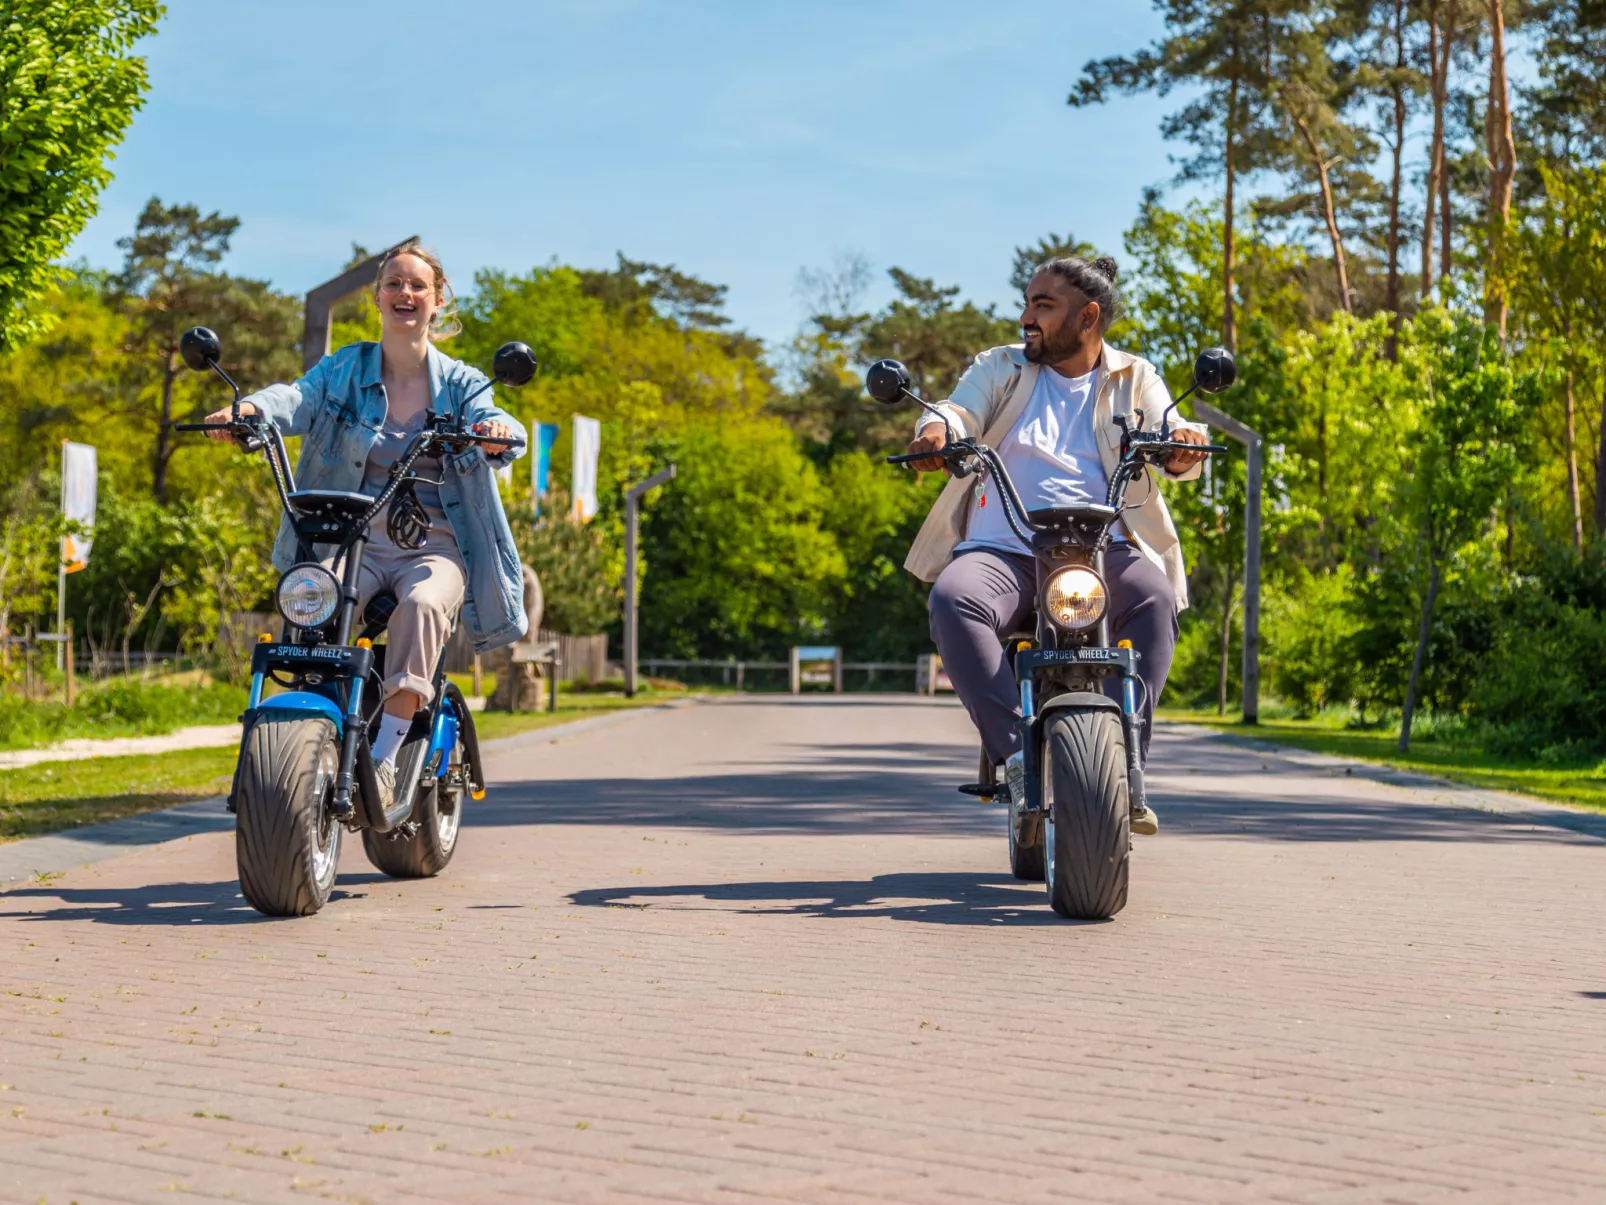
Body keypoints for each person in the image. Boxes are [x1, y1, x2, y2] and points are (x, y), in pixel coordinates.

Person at [203, 243, 529, 804]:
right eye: (395, 284)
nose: (406, 293)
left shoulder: (462, 383)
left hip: (436, 544)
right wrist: (249, 411)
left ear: (437, 299)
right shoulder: (343, 370)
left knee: (424, 605)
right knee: (308, 596)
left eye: (418, 286)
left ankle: (387, 756)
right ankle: (307, 734)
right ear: (378, 297)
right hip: (351, 539)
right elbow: (295, 398)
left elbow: (498, 420)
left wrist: (498, 430)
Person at [901, 255, 1207, 835]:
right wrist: (935, 431)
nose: (1026, 318)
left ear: (1088, 316)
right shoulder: (1001, 368)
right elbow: (958, 410)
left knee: (1154, 599)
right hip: (1006, 549)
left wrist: (1185, 441)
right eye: (1027, 302)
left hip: (1104, 549)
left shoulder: (1134, 375)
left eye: (1043, 305)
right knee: (953, 600)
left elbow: (1173, 428)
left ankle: (1122, 763)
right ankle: (1017, 758)